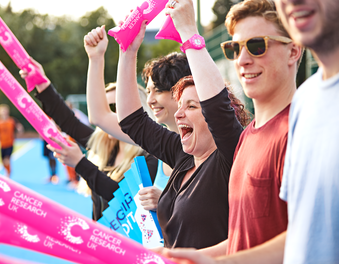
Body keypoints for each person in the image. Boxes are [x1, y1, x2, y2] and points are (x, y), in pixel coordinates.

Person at [164, 0, 339, 264]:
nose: (243, 60)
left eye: (258, 46)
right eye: (234, 48)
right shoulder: (309, 99)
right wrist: (205, 260)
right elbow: (306, 235)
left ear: (293, 52)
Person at [104, 8, 248, 247]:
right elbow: (132, 120)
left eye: (191, 106)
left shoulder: (229, 156)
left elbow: (217, 107)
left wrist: (189, 34)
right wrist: (127, 52)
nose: (179, 113)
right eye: (179, 105)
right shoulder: (183, 155)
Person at [20, 64, 158, 221]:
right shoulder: (105, 144)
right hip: (102, 238)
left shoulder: (151, 156)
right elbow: (68, 121)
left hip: (131, 243)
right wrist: (42, 83)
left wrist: (80, 163)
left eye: (114, 107)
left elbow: (123, 200)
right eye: (104, 108)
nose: (108, 115)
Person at [83, 26, 191, 211]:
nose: (150, 100)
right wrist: (96, 57)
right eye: (148, 91)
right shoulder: (158, 141)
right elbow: (99, 115)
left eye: (158, 90)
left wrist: (165, 203)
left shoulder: (206, 144)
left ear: (181, 90)